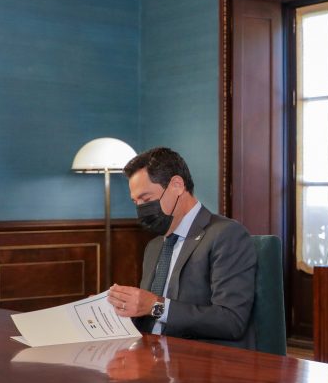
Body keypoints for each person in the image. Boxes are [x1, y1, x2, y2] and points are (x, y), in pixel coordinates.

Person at [107, 147, 258, 349]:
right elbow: (147, 314)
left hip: (199, 358)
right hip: (148, 353)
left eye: (147, 199)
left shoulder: (226, 234)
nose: (141, 209)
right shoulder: (154, 246)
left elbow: (231, 321)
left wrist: (156, 306)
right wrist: (118, 308)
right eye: (136, 202)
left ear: (177, 185)